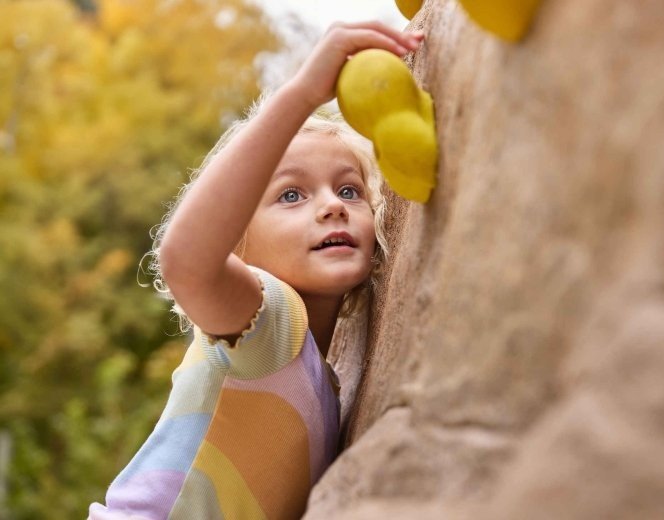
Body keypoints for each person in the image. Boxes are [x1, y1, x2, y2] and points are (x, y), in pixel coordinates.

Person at [88, 21, 425, 520]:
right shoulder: (271, 320)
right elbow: (186, 259)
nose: (333, 206)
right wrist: (303, 94)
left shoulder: (326, 372)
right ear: (238, 246)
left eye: (349, 189)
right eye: (291, 194)